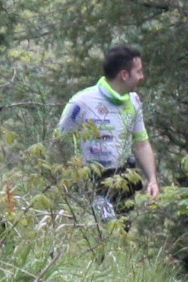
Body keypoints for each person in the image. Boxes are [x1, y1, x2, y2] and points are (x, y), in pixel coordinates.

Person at [55, 44, 159, 217]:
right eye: (139, 72)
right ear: (124, 75)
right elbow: (58, 140)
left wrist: (153, 180)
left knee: (121, 234)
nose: (142, 76)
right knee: (100, 232)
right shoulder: (81, 102)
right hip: (91, 180)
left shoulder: (134, 102)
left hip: (124, 179)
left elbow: (142, 143)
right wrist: (66, 180)